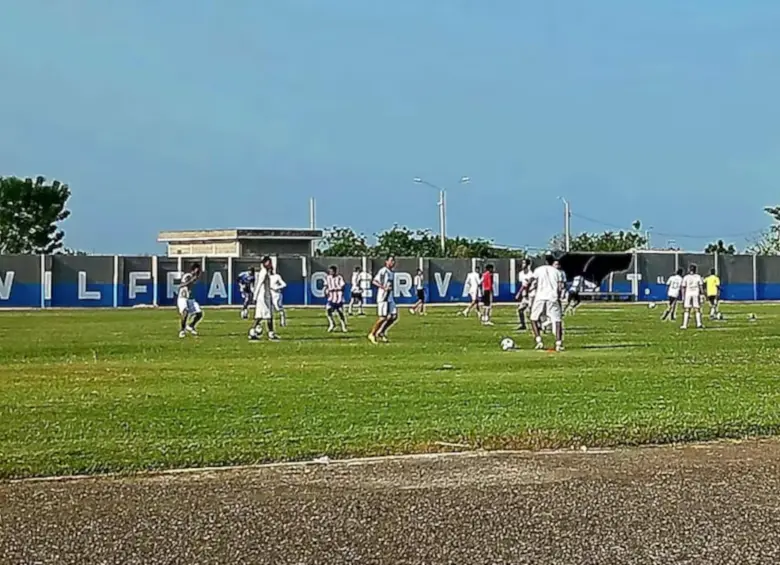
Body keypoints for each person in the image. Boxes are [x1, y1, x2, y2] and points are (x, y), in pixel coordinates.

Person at [529, 255, 565, 351]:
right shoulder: (557, 272)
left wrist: (528, 288)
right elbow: (560, 287)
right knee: (557, 320)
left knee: (533, 318)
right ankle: (558, 343)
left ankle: (538, 340)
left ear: (545, 262)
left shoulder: (538, 270)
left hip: (540, 297)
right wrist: (559, 297)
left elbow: (531, 281)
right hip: (552, 297)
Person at [248, 256, 280, 341]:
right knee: (268, 315)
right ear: (265, 263)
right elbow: (258, 284)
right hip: (263, 297)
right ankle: (271, 334)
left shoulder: (265, 272)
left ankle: (253, 331)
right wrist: (255, 296)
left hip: (263, 296)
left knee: (260, 316)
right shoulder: (264, 272)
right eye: (269, 262)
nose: (270, 264)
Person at [369, 255, 397, 344]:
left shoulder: (391, 272)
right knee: (383, 317)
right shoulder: (383, 271)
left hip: (390, 296)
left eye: (394, 261)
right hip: (383, 296)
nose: (393, 262)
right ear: (386, 262)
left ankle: (381, 332)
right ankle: (372, 334)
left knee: (394, 316)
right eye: (391, 260)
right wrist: (383, 287)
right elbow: (374, 281)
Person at [177, 263, 204, 338]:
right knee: (185, 312)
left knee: (199, 314)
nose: (198, 272)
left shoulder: (195, 277)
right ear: (194, 269)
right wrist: (191, 281)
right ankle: (182, 330)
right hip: (183, 298)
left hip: (190, 299)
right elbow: (181, 285)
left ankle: (191, 326)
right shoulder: (188, 276)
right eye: (197, 270)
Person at [681, 264, 704, 330]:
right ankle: (699, 323)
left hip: (688, 293)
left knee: (687, 309)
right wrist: (702, 294)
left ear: (689, 270)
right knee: (697, 308)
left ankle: (685, 325)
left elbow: (683, 287)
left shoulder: (686, 277)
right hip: (695, 293)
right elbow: (701, 286)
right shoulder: (698, 277)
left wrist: (683, 296)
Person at [325, 265, 348, 333]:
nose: (331, 272)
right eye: (330, 271)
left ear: (335, 271)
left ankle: (343, 326)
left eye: (332, 271)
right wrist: (326, 292)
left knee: (340, 312)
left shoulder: (339, 277)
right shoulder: (328, 278)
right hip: (331, 298)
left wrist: (336, 289)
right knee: (328, 310)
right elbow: (326, 286)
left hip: (338, 298)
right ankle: (332, 324)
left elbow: (343, 286)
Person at [515, 259, 533, 331]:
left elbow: (526, 285)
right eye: (522, 263)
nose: (522, 265)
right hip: (525, 295)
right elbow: (522, 284)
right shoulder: (521, 274)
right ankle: (523, 325)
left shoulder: (530, 274)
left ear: (528, 265)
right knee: (520, 310)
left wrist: (519, 293)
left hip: (531, 294)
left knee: (532, 311)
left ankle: (539, 325)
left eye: (524, 263)